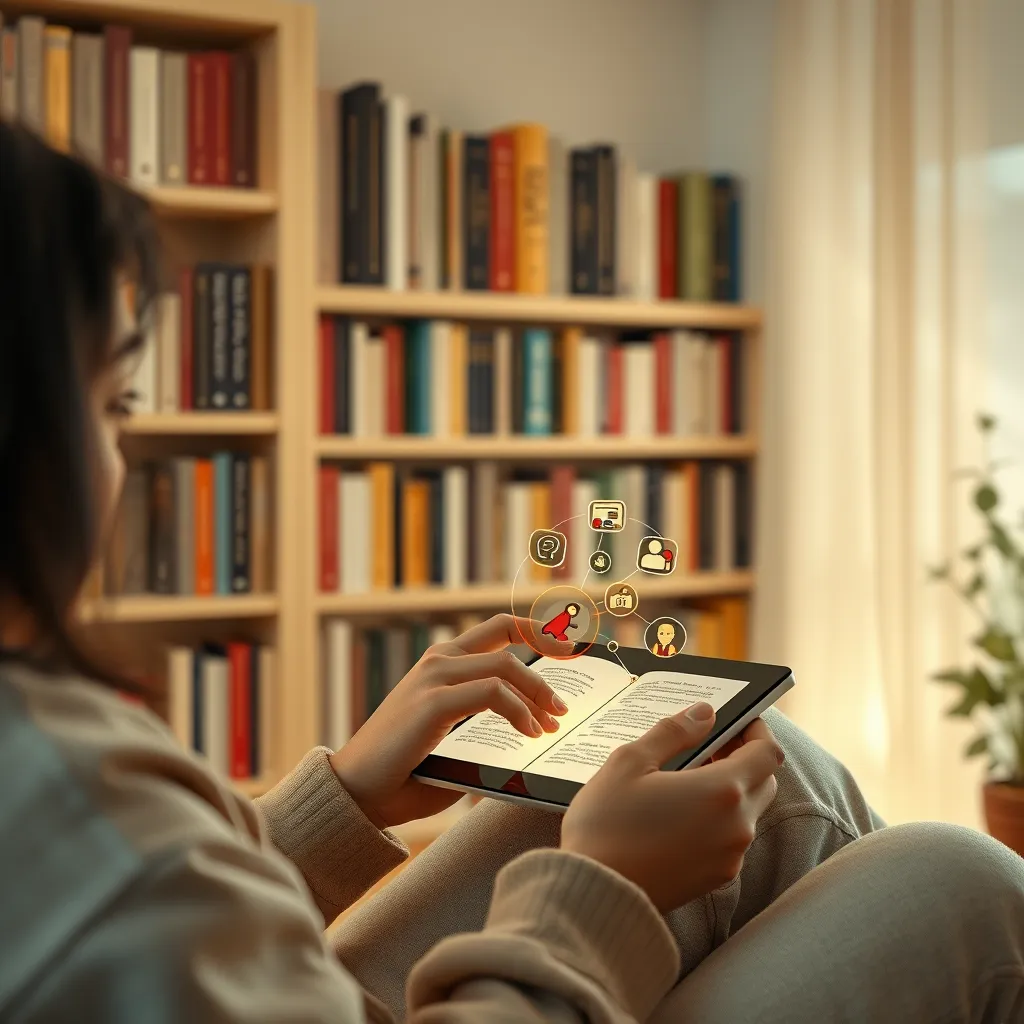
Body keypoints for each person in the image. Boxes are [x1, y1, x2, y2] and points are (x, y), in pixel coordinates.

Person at [1, 122, 1022, 1023]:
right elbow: (139, 911)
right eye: (115, 403)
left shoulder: (63, 780)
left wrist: (340, 803)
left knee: (734, 756)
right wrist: (602, 887)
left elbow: (157, 945)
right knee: (961, 883)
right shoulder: (66, 782)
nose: (123, 460)